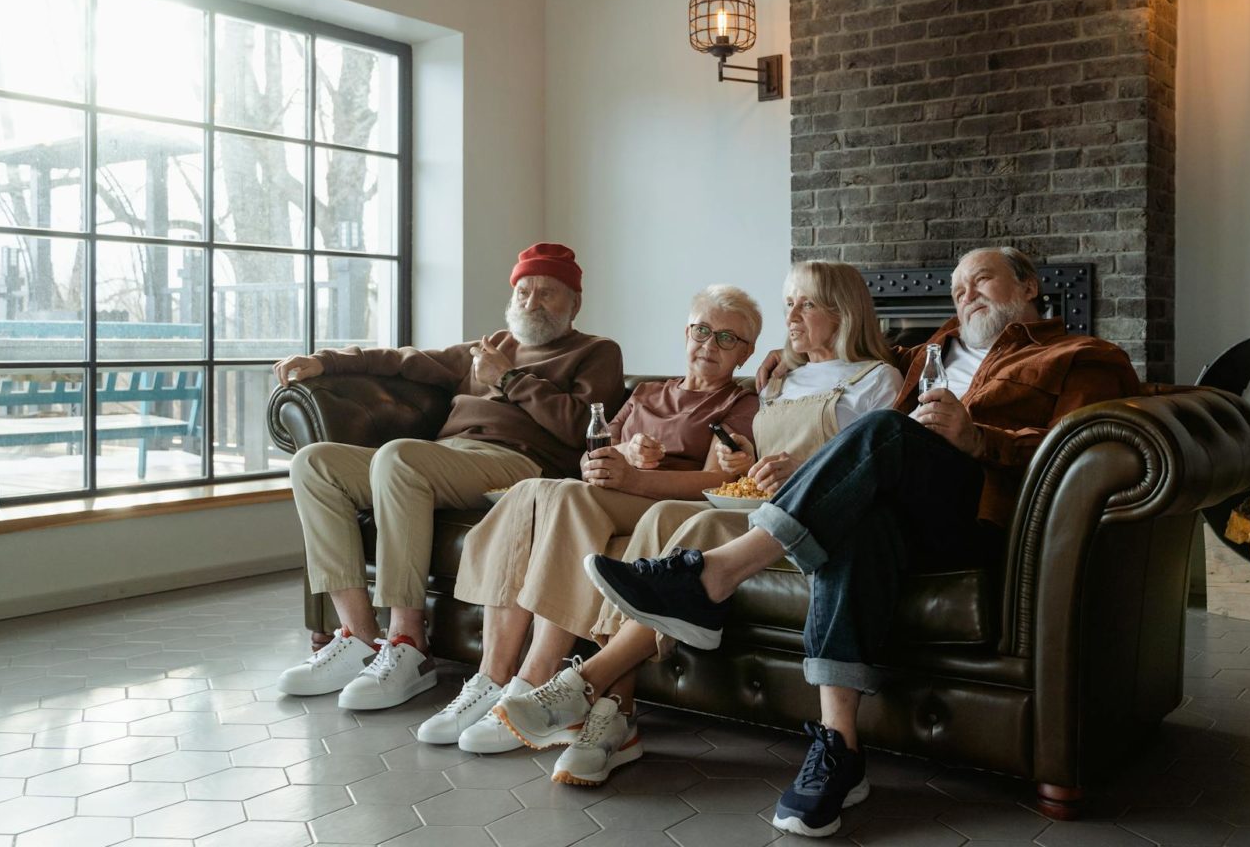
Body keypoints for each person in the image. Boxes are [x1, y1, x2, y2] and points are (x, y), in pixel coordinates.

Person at [586, 246, 1142, 837]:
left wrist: (979, 439)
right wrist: (784, 356)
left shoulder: (1082, 356)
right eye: (956, 288)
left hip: (980, 514)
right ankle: (839, 750)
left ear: (1029, 287)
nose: (966, 295)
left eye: (982, 280)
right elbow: (843, 351)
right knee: (858, 524)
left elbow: (1082, 449)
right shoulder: (926, 351)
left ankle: (712, 574)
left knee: (885, 430)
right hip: (903, 517)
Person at [491, 260, 903, 787]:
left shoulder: (877, 379)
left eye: (806, 304)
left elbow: (865, 465)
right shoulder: (779, 377)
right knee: (657, 514)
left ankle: (588, 687)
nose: (792, 315)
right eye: (788, 304)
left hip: (807, 517)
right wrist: (743, 458)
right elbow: (752, 455)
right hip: (750, 502)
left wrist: (795, 471)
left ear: (843, 312)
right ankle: (611, 713)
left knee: (675, 516)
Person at [411, 285, 762, 763]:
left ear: (747, 352)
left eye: (727, 338)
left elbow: (718, 482)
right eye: (702, 330)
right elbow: (594, 454)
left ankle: (533, 683)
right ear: (686, 333)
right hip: (617, 494)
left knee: (564, 497)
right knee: (537, 490)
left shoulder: (740, 404)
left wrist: (635, 476)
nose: (709, 344)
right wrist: (622, 454)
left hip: (667, 503)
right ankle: (493, 679)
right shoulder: (646, 392)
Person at [273, 242, 624, 711]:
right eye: (524, 291)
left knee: (399, 458)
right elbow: (404, 360)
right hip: (444, 458)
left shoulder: (595, 351)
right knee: (314, 463)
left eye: (548, 293)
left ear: (574, 303)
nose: (532, 302)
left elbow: (581, 425)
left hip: (519, 468)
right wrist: (329, 361)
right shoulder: (489, 347)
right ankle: (358, 637)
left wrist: (508, 380)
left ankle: (408, 644)